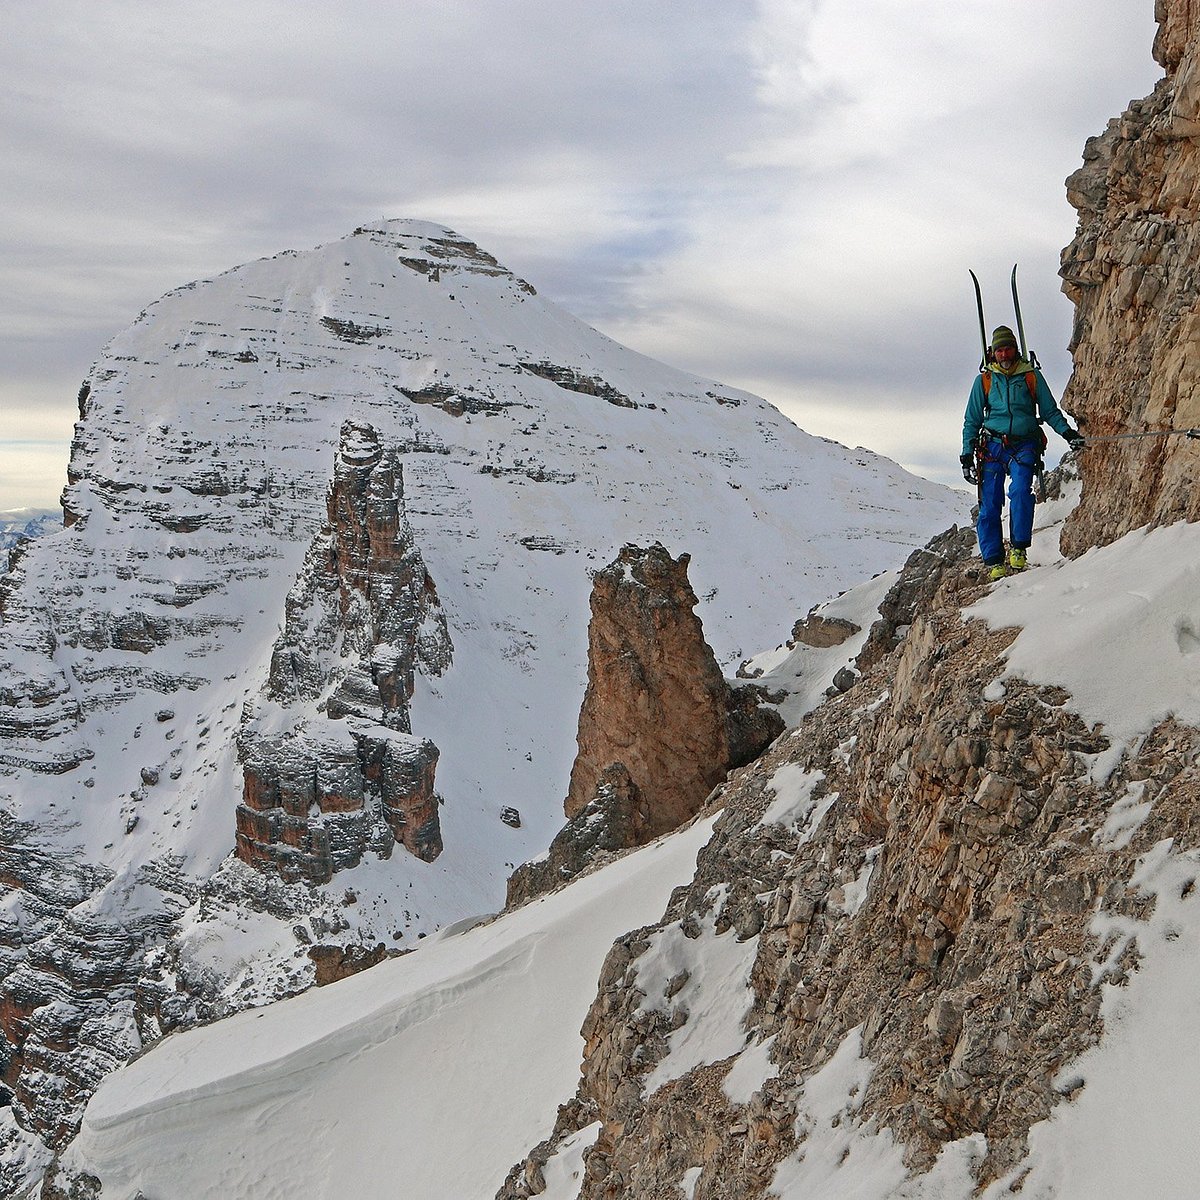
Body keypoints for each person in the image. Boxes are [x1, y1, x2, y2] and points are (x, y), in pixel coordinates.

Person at [961, 326, 1083, 581]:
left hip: (1025, 444)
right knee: (990, 502)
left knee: (1019, 493)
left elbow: (1049, 411)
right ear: (993, 354)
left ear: (1016, 349)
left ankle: (1018, 548)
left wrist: (1067, 433)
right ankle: (994, 560)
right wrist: (966, 453)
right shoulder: (984, 380)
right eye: (999, 350)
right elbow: (972, 419)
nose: (1004, 354)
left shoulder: (1031, 377)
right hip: (992, 446)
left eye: (1008, 349)